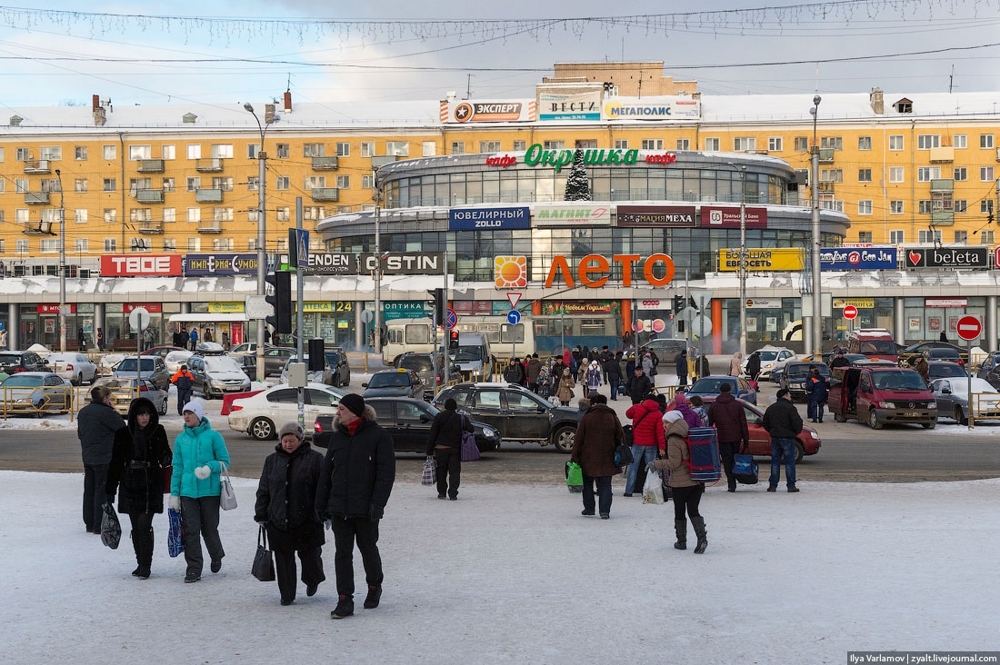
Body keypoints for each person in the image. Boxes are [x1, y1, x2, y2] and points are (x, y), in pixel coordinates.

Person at [315, 394, 396, 620]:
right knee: (342, 554)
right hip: (340, 507)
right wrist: (321, 504)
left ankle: (374, 585)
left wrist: (377, 504)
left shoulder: (379, 436)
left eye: (341, 409)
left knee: (368, 549)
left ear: (354, 411)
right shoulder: (337, 437)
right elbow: (326, 475)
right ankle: (345, 599)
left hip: (366, 509)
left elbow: (386, 475)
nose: (337, 413)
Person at [254, 422, 326, 606]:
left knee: (310, 557)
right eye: (285, 440)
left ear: (300, 440)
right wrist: (261, 513)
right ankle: (287, 594)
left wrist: (324, 512)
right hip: (278, 519)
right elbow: (264, 488)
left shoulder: (315, 459)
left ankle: (313, 580)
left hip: (307, 519)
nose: (288, 444)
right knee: (283, 560)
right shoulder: (272, 461)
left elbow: (324, 489)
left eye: (291, 440)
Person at [106, 397, 172, 579]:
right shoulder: (122, 433)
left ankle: (146, 565)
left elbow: (166, 452)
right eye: (141, 414)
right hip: (130, 482)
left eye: (148, 414)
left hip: (150, 482)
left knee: (144, 524)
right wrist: (110, 489)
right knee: (135, 526)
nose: (145, 418)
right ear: (134, 416)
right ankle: (139, 562)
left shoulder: (158, 431)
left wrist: (166, 457)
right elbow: (116, 462)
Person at [169, 400, 231, 583]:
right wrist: (174, 493)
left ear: (199, 415)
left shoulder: (213, 436)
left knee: (209, 528)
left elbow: (224, 462)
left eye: (190, 413)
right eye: (184, 414)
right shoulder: (181, 439)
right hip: (187, 493)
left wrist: (209, 468)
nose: (187, 416)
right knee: (191, 530)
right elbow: (177, 468)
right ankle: (194, 568)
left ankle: (216, 554)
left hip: (210, 492)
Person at [654, 410, 708, 554]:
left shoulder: (673, 439)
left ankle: (681, 541)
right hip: (696, 480)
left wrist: (656, 464)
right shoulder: (687, 433)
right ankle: (702, 539)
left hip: (680, 483)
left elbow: (674, 463)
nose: (664, 425)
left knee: (679, 511)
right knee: (693, 510)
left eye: (666, 422)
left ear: (673, 423)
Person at [77, 385, 127, 535]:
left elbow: (80, 434)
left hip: (88, 457)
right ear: (105, 398)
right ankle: (99, 524)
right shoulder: (107, 413)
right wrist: (113, 411)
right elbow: (122, 430)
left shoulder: (83, 412)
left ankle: (89, 523)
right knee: (102, 491)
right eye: (109, 398)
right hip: (104, 458)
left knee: (89, 490)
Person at [570, 394, 623, 519]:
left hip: (588, 458)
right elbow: (620, 436)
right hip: (607, 457)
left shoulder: (587, 417)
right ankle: (604, 511)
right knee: (605, 485)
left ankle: (589, 508)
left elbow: (579, 439)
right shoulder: (612, 417)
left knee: (587, 484)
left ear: (593, 404)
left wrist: (575, 457)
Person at [426, 398, 473, 500]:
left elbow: (433, 434)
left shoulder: (439, 417)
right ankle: (453, 493)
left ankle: (442, 493)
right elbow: (471, 429)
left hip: (440, 449)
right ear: (455, 407)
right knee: (454, 472)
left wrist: (429, 450)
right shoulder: (461, 418)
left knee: (441, 471)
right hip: (455, 449)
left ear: (445, 406)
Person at [707, 383, 750, 493]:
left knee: (727, 460)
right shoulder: (737, 405)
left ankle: (731, 483)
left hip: (722, 437)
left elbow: (709, 423)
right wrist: (746, 439)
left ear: (720, 392)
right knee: (735, 459)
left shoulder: (714, 406)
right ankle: (735, 478)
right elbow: (743, 423)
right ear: (730, 391)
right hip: (736, 437)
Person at [623, 392, 666, 497]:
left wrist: (640, 404)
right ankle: (651, 490)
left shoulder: (637, 408)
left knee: (633, 467)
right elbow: (660, 433)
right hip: (651, 444)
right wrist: (662, 447)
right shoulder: (658, 414)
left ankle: (629, 491)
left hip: (637, 442)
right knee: (651, 468)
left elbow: (628, 414)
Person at [762, 388, 804, 493]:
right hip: (788, 438)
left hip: (775, 437)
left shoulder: (771, 408)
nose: (790, 397)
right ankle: (791, 485)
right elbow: (797, 423)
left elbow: (765, 423)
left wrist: (772, 431)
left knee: (775, 462)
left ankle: (773, 485)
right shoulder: (790, 408)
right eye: (789, 395)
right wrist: (795, 432)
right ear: (785, 396)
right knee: (789, 462)